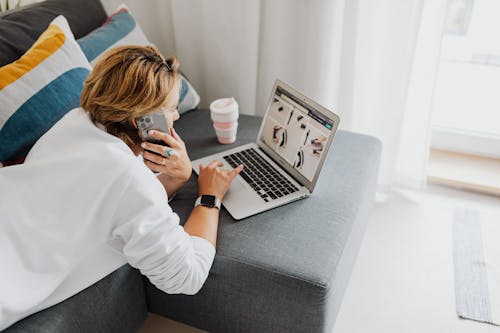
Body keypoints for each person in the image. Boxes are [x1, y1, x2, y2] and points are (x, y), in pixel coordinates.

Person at [0, 45, 243, 330]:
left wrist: (174, 179)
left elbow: (110, 201)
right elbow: (186, 276)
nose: (176, 117)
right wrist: (209, 197)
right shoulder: (128, 178)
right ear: (140, 120)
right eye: (171, 109)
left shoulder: (74, 121)